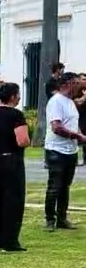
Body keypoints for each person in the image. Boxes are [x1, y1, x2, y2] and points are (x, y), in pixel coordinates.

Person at [0, 83, 30, 252]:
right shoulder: (16, 115)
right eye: (18, 94)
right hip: (11, 160)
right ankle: (9, 240)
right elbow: (22, 140)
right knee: (12, 200)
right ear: (13, 96)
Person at [44, 72, 86, 232]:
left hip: (70, 150)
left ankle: (62, 218)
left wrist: (79, 135)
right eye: (77, 83)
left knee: (65, 186)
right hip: (56, 150)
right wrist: (77, 136)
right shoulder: (56, 101)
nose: (80, 87)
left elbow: (74, 123)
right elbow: (56, 127)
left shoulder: (71, 102)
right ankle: (50, 219)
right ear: (68, 84)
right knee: (54, 186)